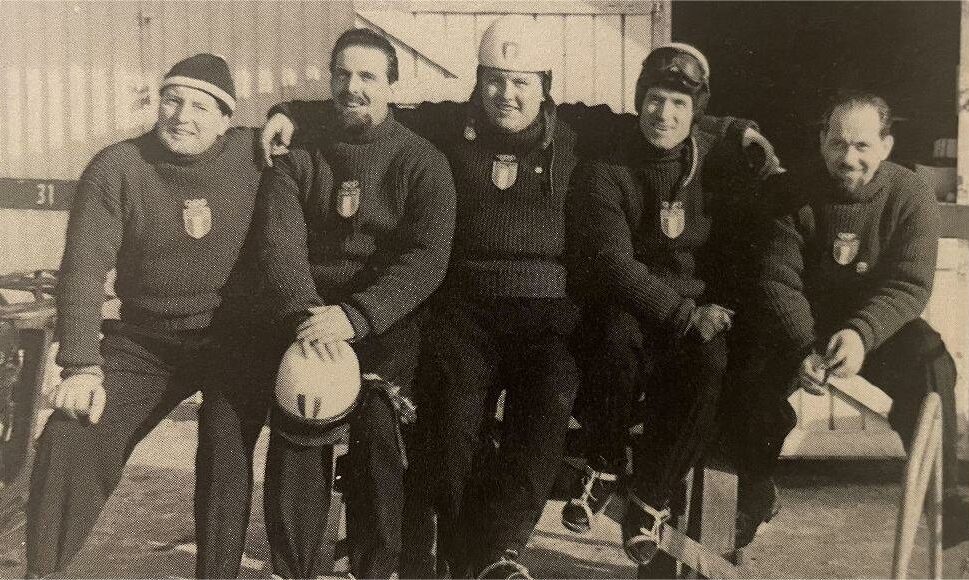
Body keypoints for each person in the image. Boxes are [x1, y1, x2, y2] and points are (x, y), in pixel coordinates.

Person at [260, 19, 777, 578]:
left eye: (522, 83)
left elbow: (662, 116)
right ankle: (461, 557)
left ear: (544, 85)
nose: (508, 95)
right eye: (495, 81)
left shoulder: (578, 129)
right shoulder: (450, 124)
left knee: (546, 411)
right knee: (454, 425)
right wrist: (291, 112)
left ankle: (502, 553)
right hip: (467, 311)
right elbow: (367, 108)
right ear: (479, 83)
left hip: (550, 314)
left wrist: (737, 130)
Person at [26, 54, 272, 579]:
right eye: (172, 100)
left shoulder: (256, 154)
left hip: (233, 338)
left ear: (227, 118)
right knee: (71, 436)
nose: (182, 115)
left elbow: (341, 122)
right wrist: (80, 366)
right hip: (145, 340)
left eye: (201, 106)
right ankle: (40, 571)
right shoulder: (117, 166)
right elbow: (83, 272)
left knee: (225, 452)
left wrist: (296, 112)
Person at [252, 28, 457, 579]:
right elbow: (280, 243)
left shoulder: (422, 161)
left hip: (382, 320)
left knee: (378, 435)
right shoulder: (298, 154)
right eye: (342, 74)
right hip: (309, 317)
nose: (352, 86)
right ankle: (292, 567)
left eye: (367, 75)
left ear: (392, 84)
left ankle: (375, 566)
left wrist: (357, 316)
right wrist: (306, 317)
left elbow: (426, 258)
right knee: (304, 413)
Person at [726, 91, 962, 547]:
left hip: (874, 327)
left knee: (932, 365)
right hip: (798, 321)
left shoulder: (910, 194)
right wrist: (800, 346)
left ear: (887, 145)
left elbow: (910, 284)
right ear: (821, 142)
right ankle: (749, 496)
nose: (848, 158)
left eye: (862, 146)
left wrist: (861, 334)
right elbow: (777, 280)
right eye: (838, 144)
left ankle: (944, 503)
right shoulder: (789, 192)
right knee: (744, 377)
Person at [567, 43, 769, 565]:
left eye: (679, 105)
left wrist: (744, 130)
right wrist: (684, 316)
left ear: (695, 113)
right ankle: (605, 462)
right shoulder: (606, 163)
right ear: (639, 100)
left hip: (688, 307)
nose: (664, 114)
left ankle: (651, 496)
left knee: (711, 361)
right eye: (655, 100)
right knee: (611, 338)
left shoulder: (711, 158)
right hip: (626, 302)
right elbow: (612, 264)